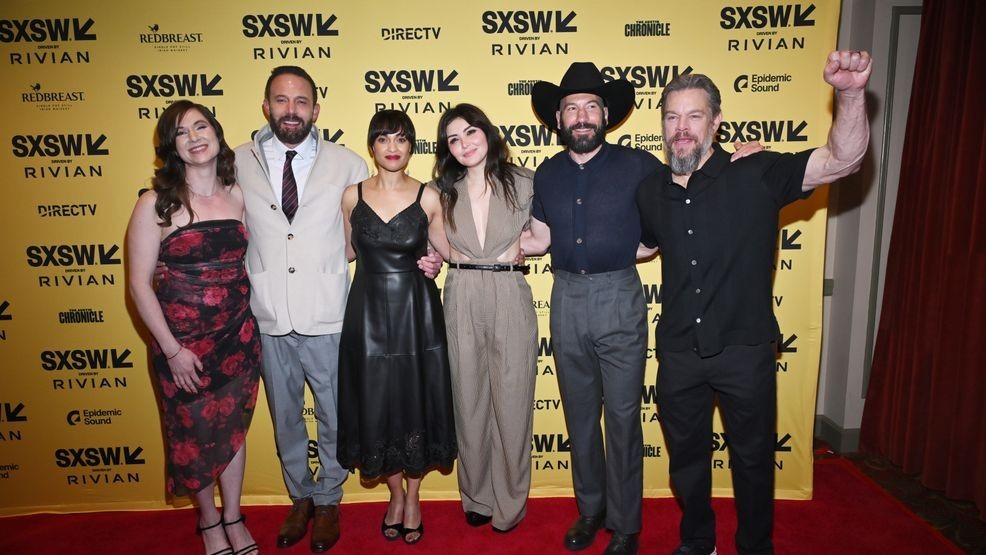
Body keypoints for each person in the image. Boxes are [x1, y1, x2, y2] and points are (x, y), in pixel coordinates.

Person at [636, 50, 872, 555]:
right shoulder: (650, 191)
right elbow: (643, 244)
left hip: (744, 350)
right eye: (672, 116)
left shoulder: (757, 171)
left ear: (716, 123)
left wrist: (850, 94)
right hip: (678, 351)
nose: (682, 127)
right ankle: (698, 540)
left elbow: (842, 159)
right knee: (686, 462)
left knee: (753, 460)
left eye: (694, 115)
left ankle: (755, 547)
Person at [524, 63, 761, 555]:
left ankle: (627, 523)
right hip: (566, 297)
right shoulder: (544, 173)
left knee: (625, 414)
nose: (582, 115)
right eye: (572, 108)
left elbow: (685, 196)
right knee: (581, 415)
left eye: (591, 106)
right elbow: (540, 238)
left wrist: (741, 163)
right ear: (559, 118)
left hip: (620, 298)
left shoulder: (640, 167)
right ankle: (591, 510)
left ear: (606, 114)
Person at [127, 100, 261, 555]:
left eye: (201, 126)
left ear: (218, 134)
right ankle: (208, 523)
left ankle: (234, 516)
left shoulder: (238, 195)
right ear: (172, 148)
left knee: (232, 431)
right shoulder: (155, 204)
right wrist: (171, 350)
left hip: (238, 337)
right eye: (182, 133)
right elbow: (138, 285)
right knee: (193, 435)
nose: (195, 137)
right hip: (182, 347)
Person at [336, 109, 457, 545]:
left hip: (416, 313)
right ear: (372, 145)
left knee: (415, 400)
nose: (393, 147)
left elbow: (445, 248)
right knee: (377, 402)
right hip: (366, 312)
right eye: (384, 139)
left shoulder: (430, 197)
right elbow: (348, 254)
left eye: (402, 139)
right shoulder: (350, 196)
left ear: (412, 147)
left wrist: (437, 260)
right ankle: (392, 494)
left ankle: (414, 496)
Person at [433, 103, 538, 533]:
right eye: (453, 139)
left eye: (470, 132)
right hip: (460, 293)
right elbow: (429, 237)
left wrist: (528, 245)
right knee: (468, 400)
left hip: (509, 291)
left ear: (488, 133)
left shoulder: (527, 182)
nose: (464, 144)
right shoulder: (440, 191)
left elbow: (552, 234)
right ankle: (476, 496)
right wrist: (436, 255)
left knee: (512, 402)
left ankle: (510, 501)